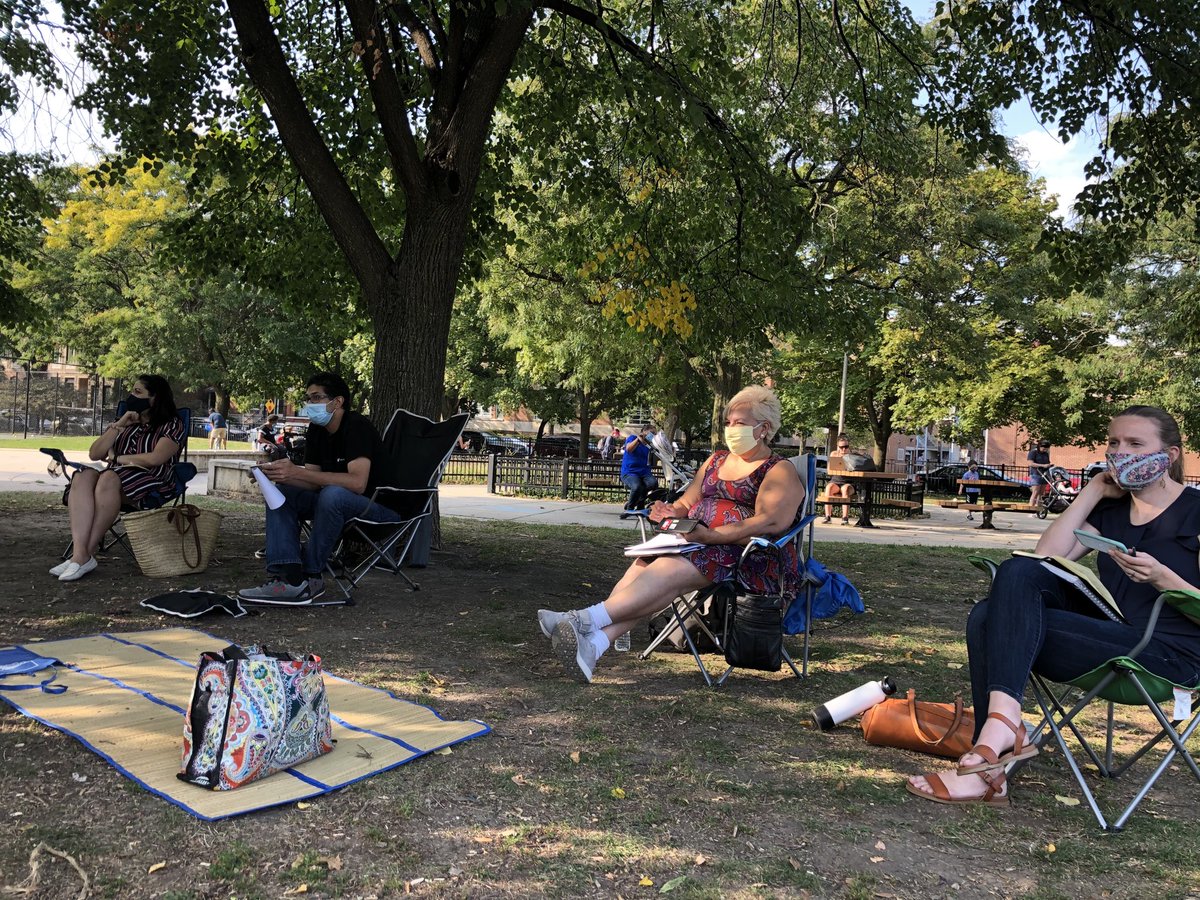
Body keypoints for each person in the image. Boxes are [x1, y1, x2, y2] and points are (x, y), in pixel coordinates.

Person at [908, 405, 1200, 806]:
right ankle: (1000, 735)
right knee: (1012, 582)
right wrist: (1095, 489)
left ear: (1169, 456)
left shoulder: (1196, 512)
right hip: (1109, 635)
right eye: (1114, 443)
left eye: (1136, 444)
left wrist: (1162, 577)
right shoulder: (1110, 511)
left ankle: (990, 753)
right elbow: (1044, 558)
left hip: (1169, 658)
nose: (1122, 453)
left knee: (987, 618)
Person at [536, 385, 805, 683]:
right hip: (696, 541)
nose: (731, 429)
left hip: (747, 556)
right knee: (645, 563)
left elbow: (770, 523)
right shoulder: (716, 460)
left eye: (739, 424)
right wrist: (669, 511)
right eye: (728, 423)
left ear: (764, 428)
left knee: (667, 569)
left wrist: (711, 537)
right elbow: (687, 502)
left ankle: (580, 620)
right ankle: (593, 646)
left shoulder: (778, 470)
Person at [238, 372, 400, 604]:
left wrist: (297, 472)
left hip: (378, 507)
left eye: (316, 397)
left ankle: (312, 575)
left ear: (337, 401)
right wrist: (278, 474)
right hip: (335, 504)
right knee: (282, 492)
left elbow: (357, 483)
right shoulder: (316, 430)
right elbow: (313, 481)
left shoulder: (356, 427)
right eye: (308, 398)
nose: (309, 404)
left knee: (333, 494)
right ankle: (287, 576)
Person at [51, 374, 184, 582]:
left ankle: (84, 555)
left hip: (151, 479)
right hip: (113, 478)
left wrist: (117, 457)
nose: (132, 396)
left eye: (138, 392)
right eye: (132, 391)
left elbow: (156, 458)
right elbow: (95, 454)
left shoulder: (171, 424)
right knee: (82, 476)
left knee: (108, 477)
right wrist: (120, 425)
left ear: (155, 398)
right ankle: (80, 555)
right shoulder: (126, 422)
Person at [620, 423, 659, 510]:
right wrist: (639, 439)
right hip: (630, 472)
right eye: (652, 433)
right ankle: (629, 508)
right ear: (644, 432)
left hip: (644, 473)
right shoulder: (633, 438)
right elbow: (629, 449)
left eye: (654, 434)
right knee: (637, 487)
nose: (653, 436)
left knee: (653, 483)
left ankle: (639, 505)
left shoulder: (650, 445)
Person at [823, 434, 855, 525]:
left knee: (845, 489)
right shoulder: (834, 454)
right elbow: (829, 470)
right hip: (836, 481)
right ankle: (828, 516)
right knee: (829, 488)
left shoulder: (851, 455)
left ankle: (845, 517)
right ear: (838, 447)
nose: (844, 449)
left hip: (848, 482)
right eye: (841, 447)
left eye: (846, 447)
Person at [1027, 439, 1052, 507]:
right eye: (1044, 448)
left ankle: (1038, 509)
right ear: (1039, 446)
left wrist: (1049, 476)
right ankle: (1031, 508)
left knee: (1041, 493)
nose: (1045, 450)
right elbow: (1030, 463)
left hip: (1044, 474)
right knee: (1035, 492)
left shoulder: (1046, 454)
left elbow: (1047, 463)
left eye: (1046, 448)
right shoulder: (1033, 452)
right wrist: (1042, 465)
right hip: (1036, 474)